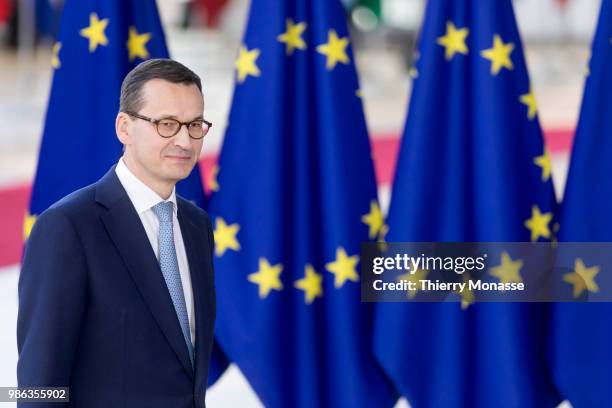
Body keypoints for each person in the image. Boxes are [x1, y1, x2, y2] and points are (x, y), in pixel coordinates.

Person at [17, 58, 216, 407]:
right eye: (167, 124)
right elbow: (38, 387)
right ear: (124, 127)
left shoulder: (197, 226)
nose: (185, 140)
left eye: (195, 124)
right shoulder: (67, 228)